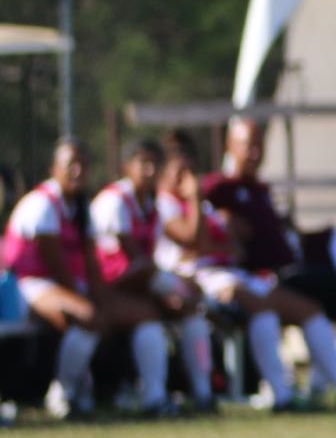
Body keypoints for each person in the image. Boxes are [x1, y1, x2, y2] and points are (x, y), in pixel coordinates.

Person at [205, 117, 336, 410]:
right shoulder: (220, 188)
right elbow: (195, 221)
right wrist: (223, 228)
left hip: (296, 273)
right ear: (230, 146)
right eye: (247, 145)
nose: (255, 152)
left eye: (259, 144)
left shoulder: (261, 190)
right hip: (270, 279)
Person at [3, 138, 173, 419]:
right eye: (71, 164)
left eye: (83, 164)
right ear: (54, 168)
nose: (78, 171)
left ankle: (154, 397)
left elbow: (92, 266)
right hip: (27, 285)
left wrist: (106, 301)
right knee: (89, 317)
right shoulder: (43, 204)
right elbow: (55, 266)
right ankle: (64, 394)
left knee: (145, 313)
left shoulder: (83, 207)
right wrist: (95, 306)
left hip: (67, 284)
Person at [156, 134, 311, 411]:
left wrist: (210, 239)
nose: (188, 179)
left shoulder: (202, 207)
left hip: (226, 272)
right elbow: (195, 238)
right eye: (180, 172)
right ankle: (276, 392)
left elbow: (236, 247)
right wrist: (195, 202)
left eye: (191, 172)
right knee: (258, 306)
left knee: (305, 308)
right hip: (192, 280)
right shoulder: (165, 204)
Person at [87, 139, 218, 412]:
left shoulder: (154, 203)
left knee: (192, 311)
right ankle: (153, 398)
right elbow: (135, 261)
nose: (149, 170)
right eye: (143, 163)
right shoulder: (115, 201)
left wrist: (196, 196)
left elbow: (193, 243)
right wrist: (168, 293)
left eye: (155, 164)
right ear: (126, 166)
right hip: (108, 289)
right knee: (157, 313)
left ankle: (202, 393)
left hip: (139, 286)